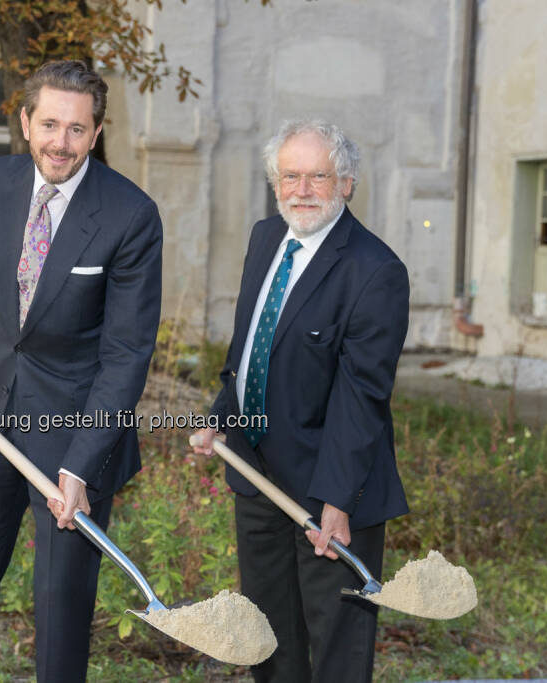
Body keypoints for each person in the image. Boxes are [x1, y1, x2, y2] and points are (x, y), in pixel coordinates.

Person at [0, 60, 162, 683]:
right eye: (50, 124)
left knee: (61, 604)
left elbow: (126, 353)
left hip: (74, 438)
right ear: (26, 121)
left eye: (77, 129)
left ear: (96, 133)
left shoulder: (131, 215)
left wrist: (81, 465)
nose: (60, 142)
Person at [192, 119, 410, 683]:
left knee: (336, 645)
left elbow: (362, 396)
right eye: (291, 175)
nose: (302, 189)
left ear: (347, 184)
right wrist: (221, 417)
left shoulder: (376, 271)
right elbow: (251, 345)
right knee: (268, 638)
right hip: (257, 476)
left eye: (319, 176)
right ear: (275, 181)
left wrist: (337, 500)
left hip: (330, 491)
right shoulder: (267, 238)